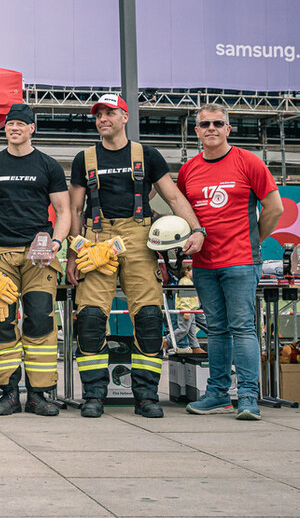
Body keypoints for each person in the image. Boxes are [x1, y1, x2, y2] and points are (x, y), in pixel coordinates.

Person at [67, 93, 204, 419]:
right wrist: (73, 253)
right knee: (90, 319)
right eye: (99, 115)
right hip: (96, 239)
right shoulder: (84, 159)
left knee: (149, 318)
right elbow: (74, 209)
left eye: (110, 113)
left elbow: (174, 197)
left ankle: (146, 397)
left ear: (125, 117)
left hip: (140, 239)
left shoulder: (148, 155)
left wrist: (197, 230)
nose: (103, 119)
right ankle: (93, 396)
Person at [178, 102, 283, 420]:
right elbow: (183, 213)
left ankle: (248, 397)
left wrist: (254, 241)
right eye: (204, 124)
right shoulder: (188, 170)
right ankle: (218, 395)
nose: (211, 128)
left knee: (243, 328)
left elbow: (275, 207)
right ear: (196, 131)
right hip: (204, 264)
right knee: (217, 330)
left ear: (228, 128)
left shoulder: (248, 162)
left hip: (240, 261)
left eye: (217, 123)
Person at [0, 103, 70, 417]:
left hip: (38, 257)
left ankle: (38, 395)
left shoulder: (49, 166)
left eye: (20, 124)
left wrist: (57, 242)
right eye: (10, 124)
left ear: (32, 128)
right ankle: (9, 394)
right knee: (0, 323)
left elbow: (64, 211)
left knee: (40, 320)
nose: (14, 128)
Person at [170, 263, 202, 354]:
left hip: (191, 310)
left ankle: (195, 347)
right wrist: (186, 311)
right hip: (187, 310)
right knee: (183, 329)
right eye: (192, 270)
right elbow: (185, 298)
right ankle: (167, 340)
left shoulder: (188, 281)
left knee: (192, 331)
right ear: (186, 271)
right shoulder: (185, 282)